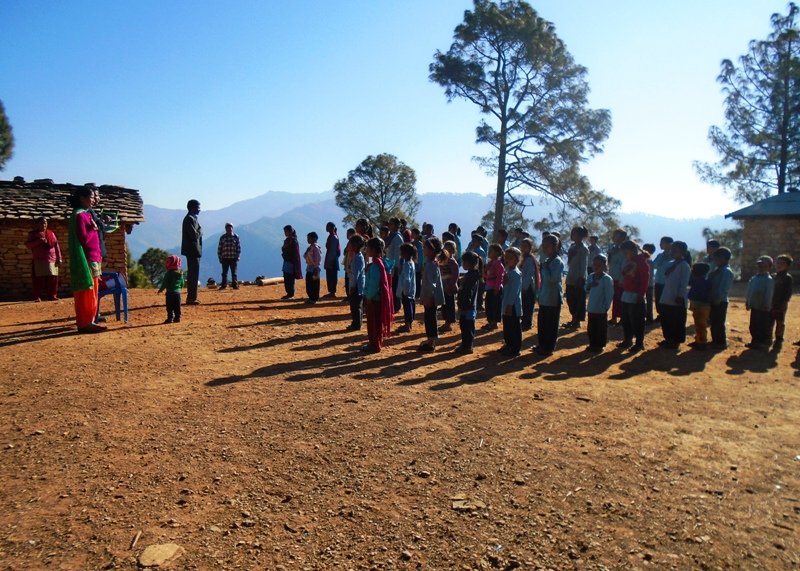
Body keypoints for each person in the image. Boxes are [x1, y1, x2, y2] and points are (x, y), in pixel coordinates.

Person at [68, 187, 106, 333]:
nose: (93, 200)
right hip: (87, 258)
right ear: (82, 198)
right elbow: (84, 238)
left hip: (92, 257)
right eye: (90, 197)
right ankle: (85, 322)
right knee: (88, 291)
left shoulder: (82, 214)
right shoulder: (81, 216)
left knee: (91, 290)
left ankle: (88, 320)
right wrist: (93, 229)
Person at [618, 240, 650, 353]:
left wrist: (641, 294)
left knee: (637, 321)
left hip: (636, 295)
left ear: (632, 251)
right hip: (627, 294)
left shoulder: (641, 263)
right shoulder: (630, 261)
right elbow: (626, 274)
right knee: (626, 319)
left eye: (626, 252)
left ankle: (639, 343)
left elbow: (645, 280)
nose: (625, 255)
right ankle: (628, 339)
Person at [659, 241, 691, 350]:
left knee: (677, 321)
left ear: (682, 252)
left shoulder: (684, 266)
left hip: (677, 298)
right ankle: (668, 338)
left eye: (675, 250)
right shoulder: (670, 263)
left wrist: (680, 296)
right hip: (667, 295)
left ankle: (676, 341)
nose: (672, 252)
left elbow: (684, 283)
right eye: (672, 250)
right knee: (666, 319)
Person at [363, 237, 393, 352]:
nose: (366, 250)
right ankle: (374, 343)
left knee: (374, 323)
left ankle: (375, 345)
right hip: (375, 298)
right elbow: (368, 265)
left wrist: (369, 296)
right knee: (374, 322)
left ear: (373, 250)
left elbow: (374, 283)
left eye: (368, 248)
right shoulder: (377, 262)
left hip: (374, 299)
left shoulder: (376, 265)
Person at [535, 234, 563, 356]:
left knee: (551, 324)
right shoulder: (546, 261)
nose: (545, 249)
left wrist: (545, 269)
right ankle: (541, 344)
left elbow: (553, 279)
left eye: (547, 246)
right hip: (545, 297)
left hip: (553, 298)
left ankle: (548, 347)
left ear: (556, 247)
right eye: (543, 246)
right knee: (542, 323)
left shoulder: (557, 262)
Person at [25, 216, 61, 301]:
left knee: (53, 279)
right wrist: (38, 241)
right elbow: (28, 245)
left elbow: (56, 246)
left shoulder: (51, 233)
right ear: (37, 224)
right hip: (39, 259)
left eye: (45, 222)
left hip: (52, 259)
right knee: (39, 279)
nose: (44, 224)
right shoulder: (33, 234)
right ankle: (37, 296)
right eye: (41, 223)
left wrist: (59, 258)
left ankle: (52, 295)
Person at [419, 237, 445, 352]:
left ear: (431, 250)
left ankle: (431, 342)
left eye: (425, 247)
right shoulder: (432, 263)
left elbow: (431, 284)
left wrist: (428, 297)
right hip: (431, 297)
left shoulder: (430, 265)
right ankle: (431, 340)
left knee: (430, 319)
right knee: (430, 318)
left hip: (430, 298)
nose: (423, 249)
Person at [585, 254, 614, 352]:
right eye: (595, 265)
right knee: (591, 328)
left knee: (600, 328)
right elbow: (585, 288)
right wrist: (589, 286)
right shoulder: (590, 276)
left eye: (599, 265)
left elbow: (609, 294)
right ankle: (592, 343)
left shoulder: (607, 279)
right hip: (591, 307)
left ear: (604, 266)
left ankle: (599, 346)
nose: (596, 267)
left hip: (601, 309)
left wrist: (606, 307)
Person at [745, 256, 775, 351]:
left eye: (763, 265)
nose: (761, 267)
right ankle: (755, 341)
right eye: (759, 265)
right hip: (754, 306)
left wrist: (767, 304)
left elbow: (769, 293)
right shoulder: (754, 278)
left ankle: (762, 343)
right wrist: (748, 302)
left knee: (762, 325)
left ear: (769, 267)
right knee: (753, 325)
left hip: (763, 308)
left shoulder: (769, 280)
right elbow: (749, 291)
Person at [708, 247, 734, 350]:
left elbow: (723, 288)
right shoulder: (718, 270)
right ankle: (715, 340)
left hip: (720, 301)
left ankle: (721, 342)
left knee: (718, 322)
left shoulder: (726, 271)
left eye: (716, 258)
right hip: (714, 300)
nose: (715, 261)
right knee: (714, 322)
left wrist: (717, 299)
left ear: (722, 258)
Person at [456, 251, 481, 354]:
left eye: (464, 262)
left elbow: (468, 292)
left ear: (469, 263)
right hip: (468, 306)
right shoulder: (472, 274)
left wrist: (464, 306)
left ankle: (467, 346)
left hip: (468, 307)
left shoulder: (472, 276)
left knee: (467, 327)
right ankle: (466, 345)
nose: (463, 264)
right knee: (465, 326)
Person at [565, 226, 589, 329]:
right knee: (571, 299)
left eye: (574, 233)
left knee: (578, 300)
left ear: (580, 236)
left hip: (579, 278)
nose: (572, 235)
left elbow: (584, 265)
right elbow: (569, 263)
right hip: (571, 276)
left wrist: (580, 278)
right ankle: (573, 318)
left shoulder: (583, 249)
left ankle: (577, 320)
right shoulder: (572, 247)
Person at [500, 247, 523, 357]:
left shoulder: (516, 274)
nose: (507, 260)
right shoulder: (508, 271)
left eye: (510, 258)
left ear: (517, 259)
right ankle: (508, 345)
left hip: (512, 305)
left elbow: (514, 291)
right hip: (506, 304)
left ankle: (515, 348)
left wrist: (509, 305)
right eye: (506, 257)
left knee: (514, 327)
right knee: (507, 326)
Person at [181, 199, 202, 305]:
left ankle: (193, 297)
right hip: (192, 250)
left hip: (193, 251)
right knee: (193, 274)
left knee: (193, 273)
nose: (200, 209)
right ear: (192, 208)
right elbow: (194, 235)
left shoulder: (191, 218)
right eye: (198, 207)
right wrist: (200, 231)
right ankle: (191, 298)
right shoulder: (189, 219)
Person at [770, 255, 793, 352]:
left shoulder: (787, 278)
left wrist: (784, 303)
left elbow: (788, 292)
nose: (779, 265)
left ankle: (779, 339)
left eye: (782, 264)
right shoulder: (773, 276)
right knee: (770, 320)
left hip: (781, 303)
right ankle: (768, 338)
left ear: (787, 266)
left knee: (780, 321)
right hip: (771, 302)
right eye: (778, 263)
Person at [687, 263, 712, 350]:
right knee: (699, 324)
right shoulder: (705, 281)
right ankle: (699, 340)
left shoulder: (698, 281)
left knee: (701, 324)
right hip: (701, 305)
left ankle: (702, 342)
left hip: (700, 305)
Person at [607, 229, 628, 325]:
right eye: (614, 235)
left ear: (623, 238)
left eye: (617, 236)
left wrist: (622, 279)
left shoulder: (624, 251)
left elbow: (624, 265)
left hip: (619, 278)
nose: (614, 237)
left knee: (620, 299)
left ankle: (623, 318)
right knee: (614, 298)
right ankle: (614, 317)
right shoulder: (612, 248)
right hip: (612, 276)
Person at [483, 244, 505, 330]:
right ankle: (490, 321)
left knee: (495, 306)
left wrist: (497, 287)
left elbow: (500, 276)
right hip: (489, 288)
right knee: (488, 306)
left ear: (496, 253)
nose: (489, 252)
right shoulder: (491, 263)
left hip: (495, 289)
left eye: (491, 251)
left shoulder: (498, 264)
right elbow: (487, 275)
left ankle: (494, 322)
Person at [346, 234, 366, 331]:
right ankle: (356, 323)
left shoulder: (357, 257)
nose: (348, 246)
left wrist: (352, 287)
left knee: (355, 306)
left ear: (354, 245)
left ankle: (356, 324)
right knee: (356, 305)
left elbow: (355, 274)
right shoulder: (357, 256)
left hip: (357, 286)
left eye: (349, 244)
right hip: (358, 285)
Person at [519, 238, 540, 331]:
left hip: (528, 287)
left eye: (525, 246)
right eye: (522, 246)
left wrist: (525, 287)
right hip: (523, 286)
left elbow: (530, 274)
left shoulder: (530, 259)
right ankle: (524, 322)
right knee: (523, 305)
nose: (523, 248)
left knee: (528, 306)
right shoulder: (523, 258)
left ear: (530, 248)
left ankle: (527, 323)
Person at [157, 255, 185, 324]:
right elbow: (182, 282)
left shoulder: (168, 274)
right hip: (177, 293)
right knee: (177, 306)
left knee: (169, 307)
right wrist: (180, 288)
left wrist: (161, 290)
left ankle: (170, 318)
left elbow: (165, 283)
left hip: (169, 293)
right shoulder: (180, 274)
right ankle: (177, 318)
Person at [652, 236, 674, 320]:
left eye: (662, 243)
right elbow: (654, 265)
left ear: (669, 244)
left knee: (666, 299)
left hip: (668, 282)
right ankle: (660, 314)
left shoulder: (673, 255)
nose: (660, 244)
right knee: (658, 299)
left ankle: (666, 314)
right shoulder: (660, 255)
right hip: (658, 280)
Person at [440, 242, 460, 332]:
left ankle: (449, 323)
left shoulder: (452, 262)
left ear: (453, 251)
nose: (447, 251)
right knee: (444, 306)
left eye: (449, 249)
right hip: (443, 286)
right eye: (445, 248)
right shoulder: (443, 260)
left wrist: (451, 285)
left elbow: (455, 275)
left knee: (450, 305)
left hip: (449, 288)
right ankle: (446, 322)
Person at [397, 243, 417, 332]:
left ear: (405, 253)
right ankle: (409, 324)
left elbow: (407, 279)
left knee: (407, 307)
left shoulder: (406, 265)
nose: (400, 254)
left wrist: (405, 291)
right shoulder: (411, 263)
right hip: (411, 290)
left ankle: (407, 325)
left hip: (406, 290)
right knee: (411, 306)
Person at [281, 225, 302, 300]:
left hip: (291, 262)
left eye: (286, 231)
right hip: (286, 261)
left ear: (290, 231)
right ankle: (288, 293)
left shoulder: (293, 241)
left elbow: (295, 253)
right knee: (286, 278)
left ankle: (291, 294)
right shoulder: (287, 240)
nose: (285, 233)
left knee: (290, 278)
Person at [217, 223, 241, 290]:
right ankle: (224, 285)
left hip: (233, 258)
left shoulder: (236, 237)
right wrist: (220, 257)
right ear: (225, 229)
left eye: (230, 228)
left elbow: (238, 248)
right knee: (224, 273)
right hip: (225, 258)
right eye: (227, 228)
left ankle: (235, 285)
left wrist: (238, 256)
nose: (229, 229)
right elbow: (219, 248)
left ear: (232, 228)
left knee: (234, 273)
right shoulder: (222, 237)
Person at [323, 222, 341, 298]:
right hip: (331, 259)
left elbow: (333, 250)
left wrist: (330, 262)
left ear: (332, 228)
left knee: (332, 276)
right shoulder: (332, 236)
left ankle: (332, 292)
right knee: (331, 276)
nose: (327, 228)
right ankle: (331, 292)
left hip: (332, 260)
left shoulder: (333, 237)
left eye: (328, 226)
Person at [304, 231, 322, 304]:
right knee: (309, 283)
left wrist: (316, 267)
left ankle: (314, 298)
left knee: (314, 284)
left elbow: (318, 258)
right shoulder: (310, 247)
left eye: (309, 238)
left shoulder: (315, 247)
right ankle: (311, 297)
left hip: (314, 268)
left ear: (314, 239)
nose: (308, 240)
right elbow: (305, 256)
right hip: (309, 267)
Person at [641, 243, 656, 324]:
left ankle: (649, 318)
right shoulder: (650, 261)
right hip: (649, 284)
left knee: (647, 301)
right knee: (648, 301)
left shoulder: (648, 261)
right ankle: (648, 318)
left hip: (647, 284)